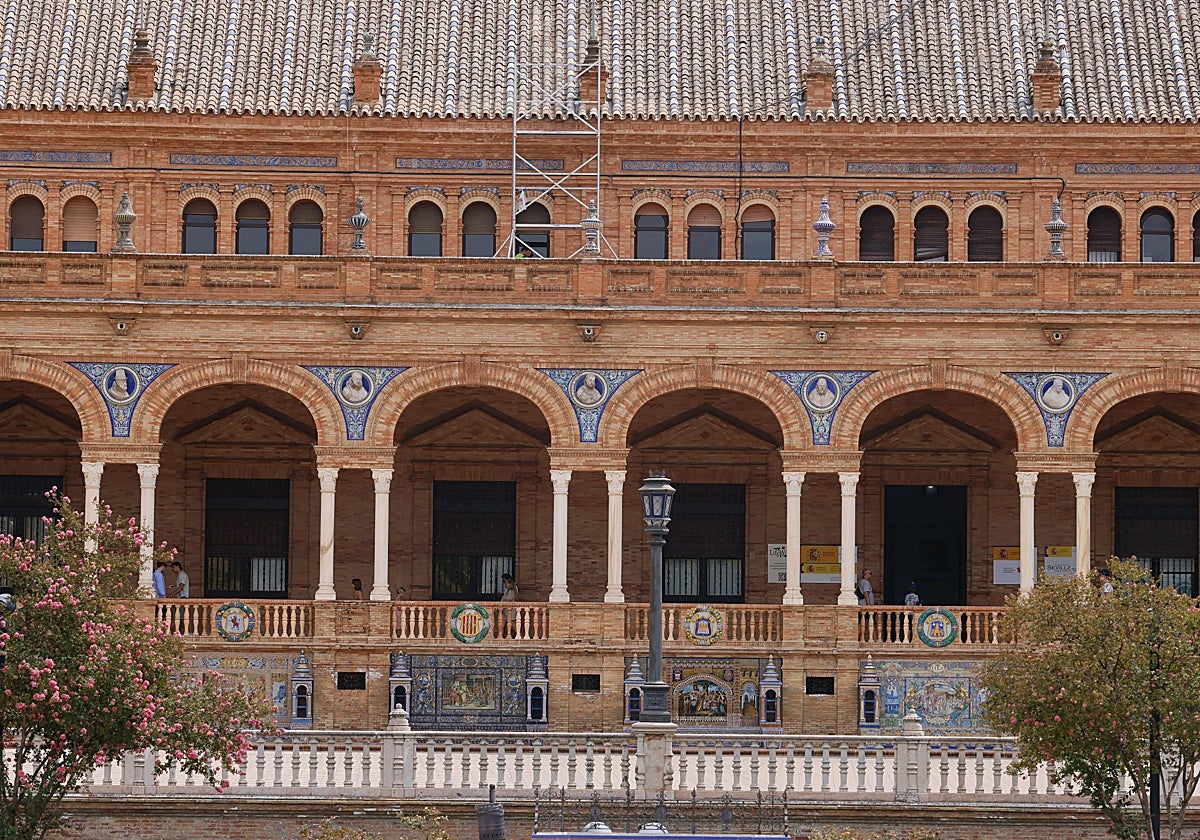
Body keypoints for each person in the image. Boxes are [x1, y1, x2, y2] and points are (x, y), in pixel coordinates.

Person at [499, 572, 518, 637]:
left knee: (513, 624)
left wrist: (502, 602)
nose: (504, 584)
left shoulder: (512, 590)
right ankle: (500, 636)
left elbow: (507, 600)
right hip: (505, 610)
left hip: (510, 611)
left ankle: (520, 636)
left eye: (505, 582)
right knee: (502, 623)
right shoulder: (507, 590)